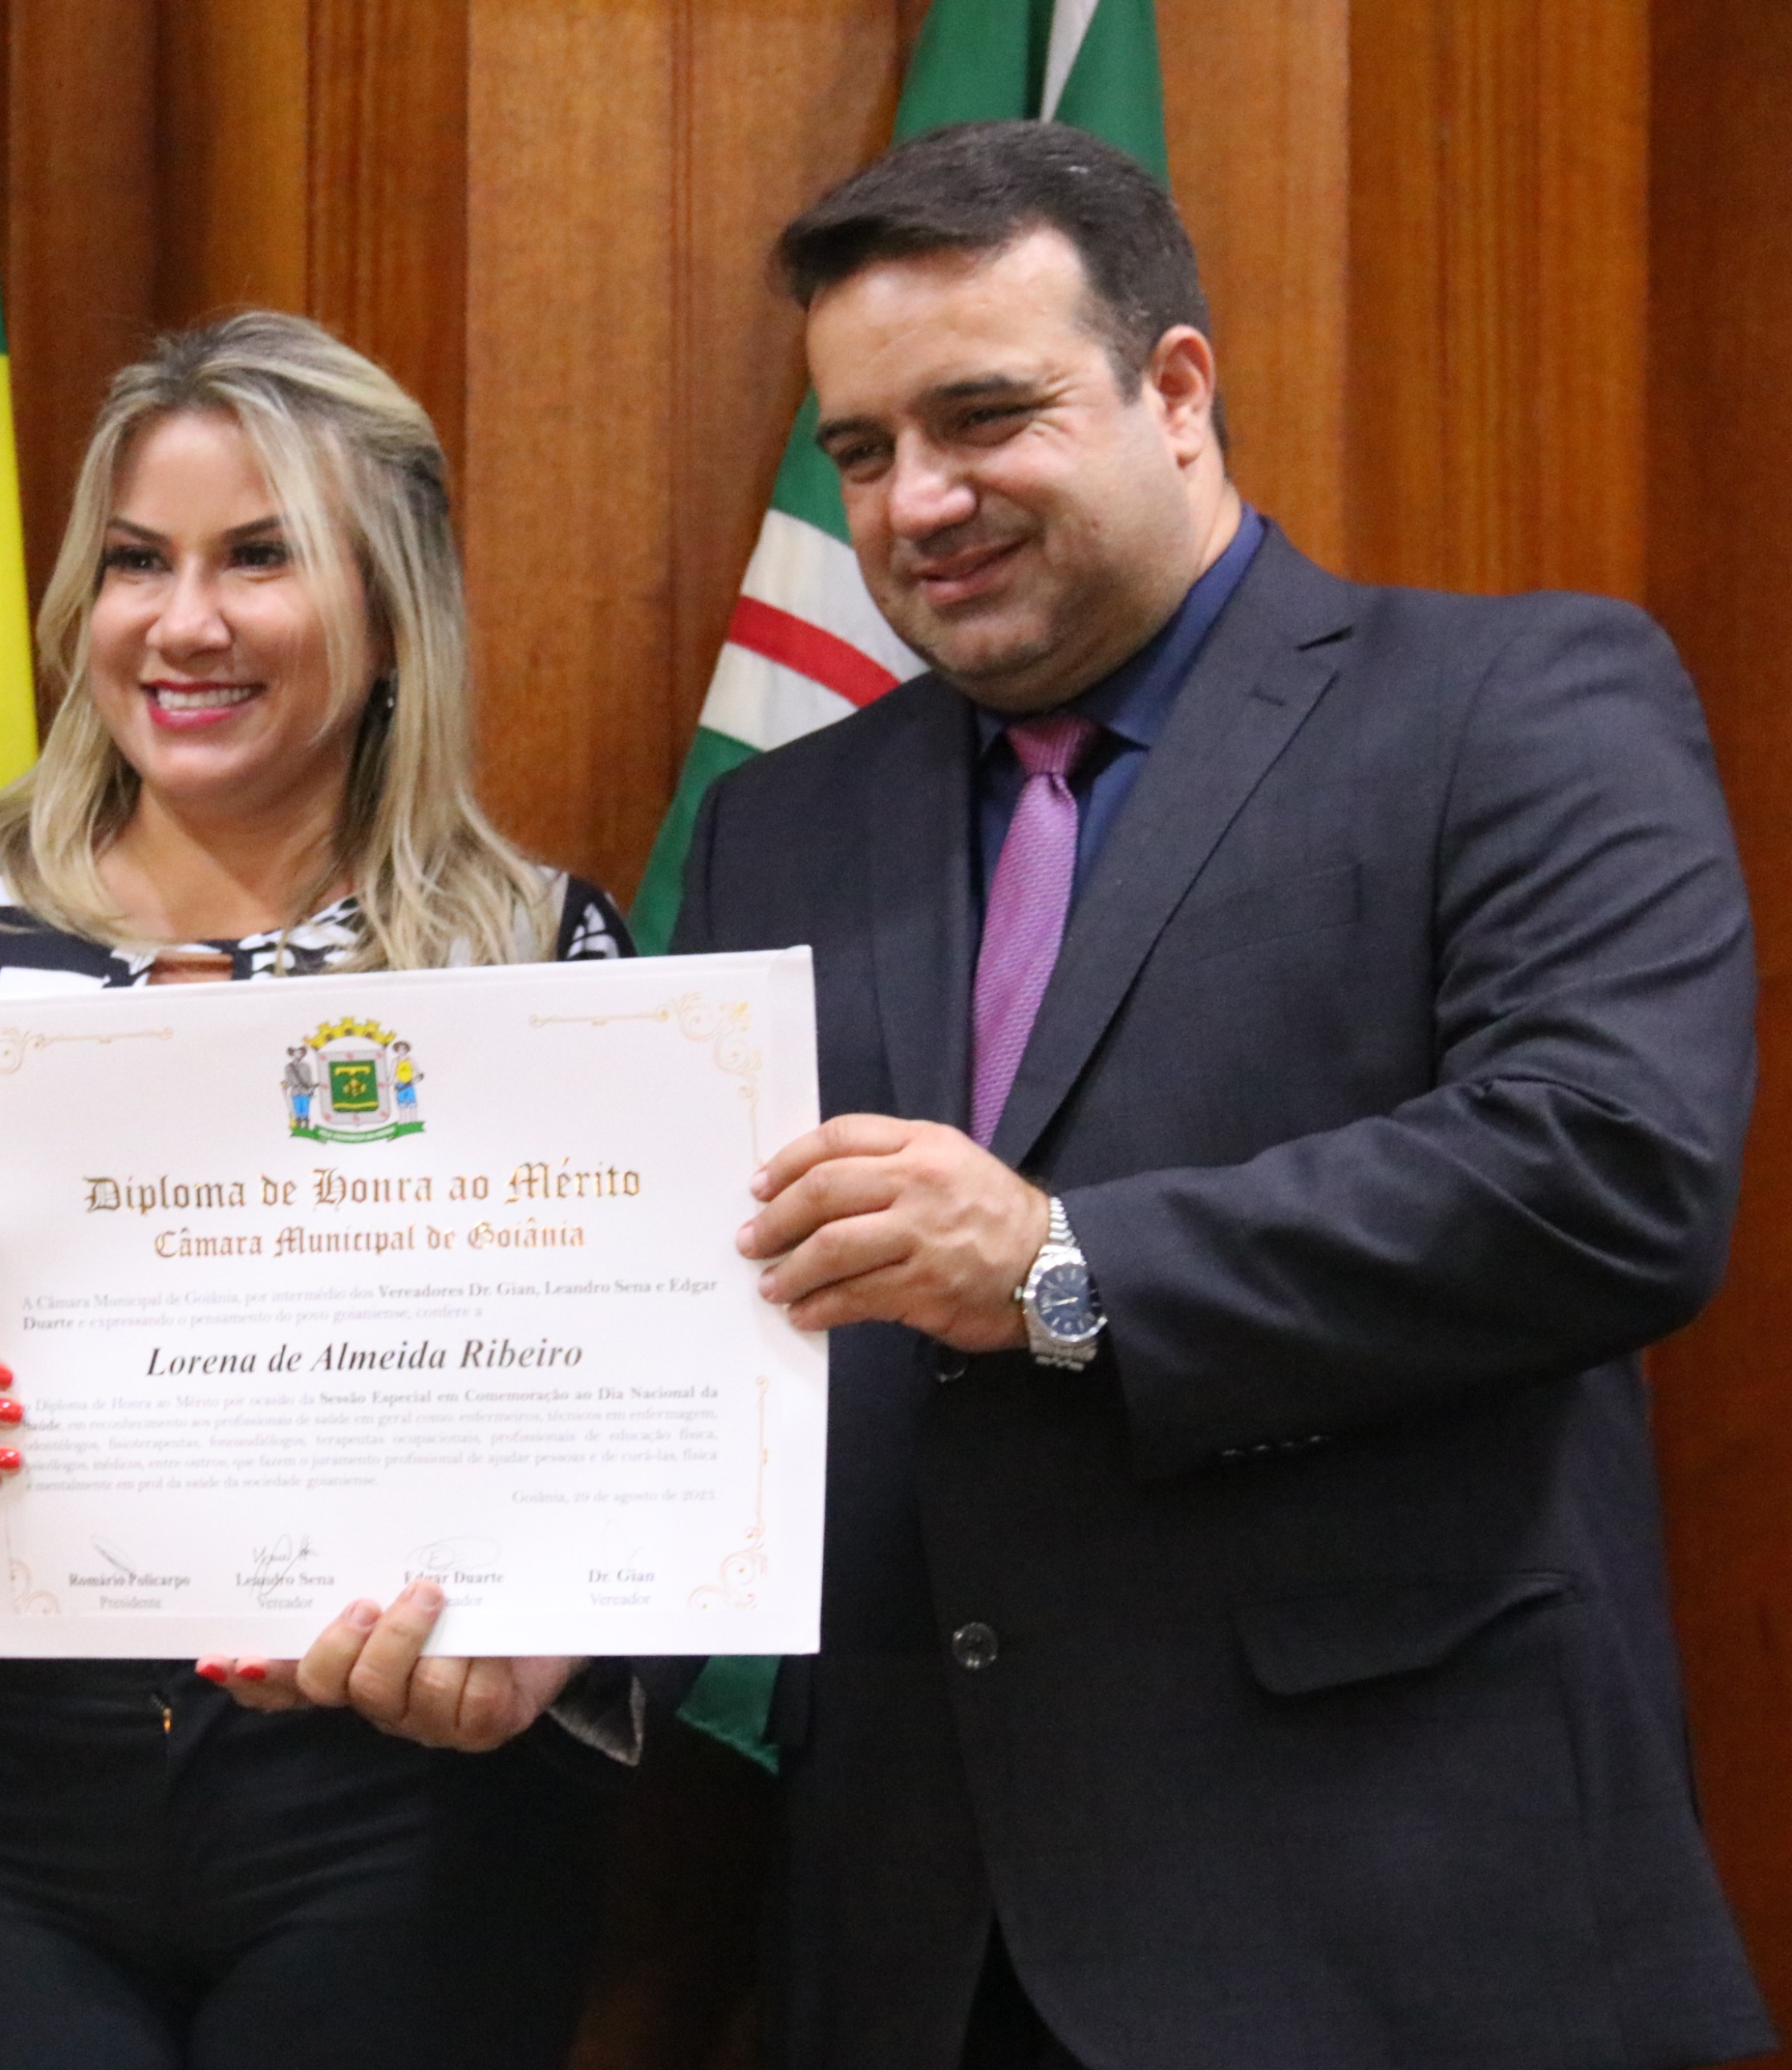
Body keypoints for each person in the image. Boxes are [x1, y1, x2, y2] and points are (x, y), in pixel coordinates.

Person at [678, 120, 1776, 2070]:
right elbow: (714, 1321)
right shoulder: (783, 825)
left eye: (982, 416)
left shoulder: (1511, 703)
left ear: (1173, 388)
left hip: (1386, 1919)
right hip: (922, 1936)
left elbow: (1609, 1174)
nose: (916, 500)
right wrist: (539, 1616)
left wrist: (1061, 1264)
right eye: (860, 448)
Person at [0, 311, 654, 2070]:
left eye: (259, 557)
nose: (182, 622)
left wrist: (548, 1641)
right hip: (2, 1792)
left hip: (396, 1794)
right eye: (137, 560)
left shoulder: (529, 953)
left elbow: (639, 1407)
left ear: (389, 606)